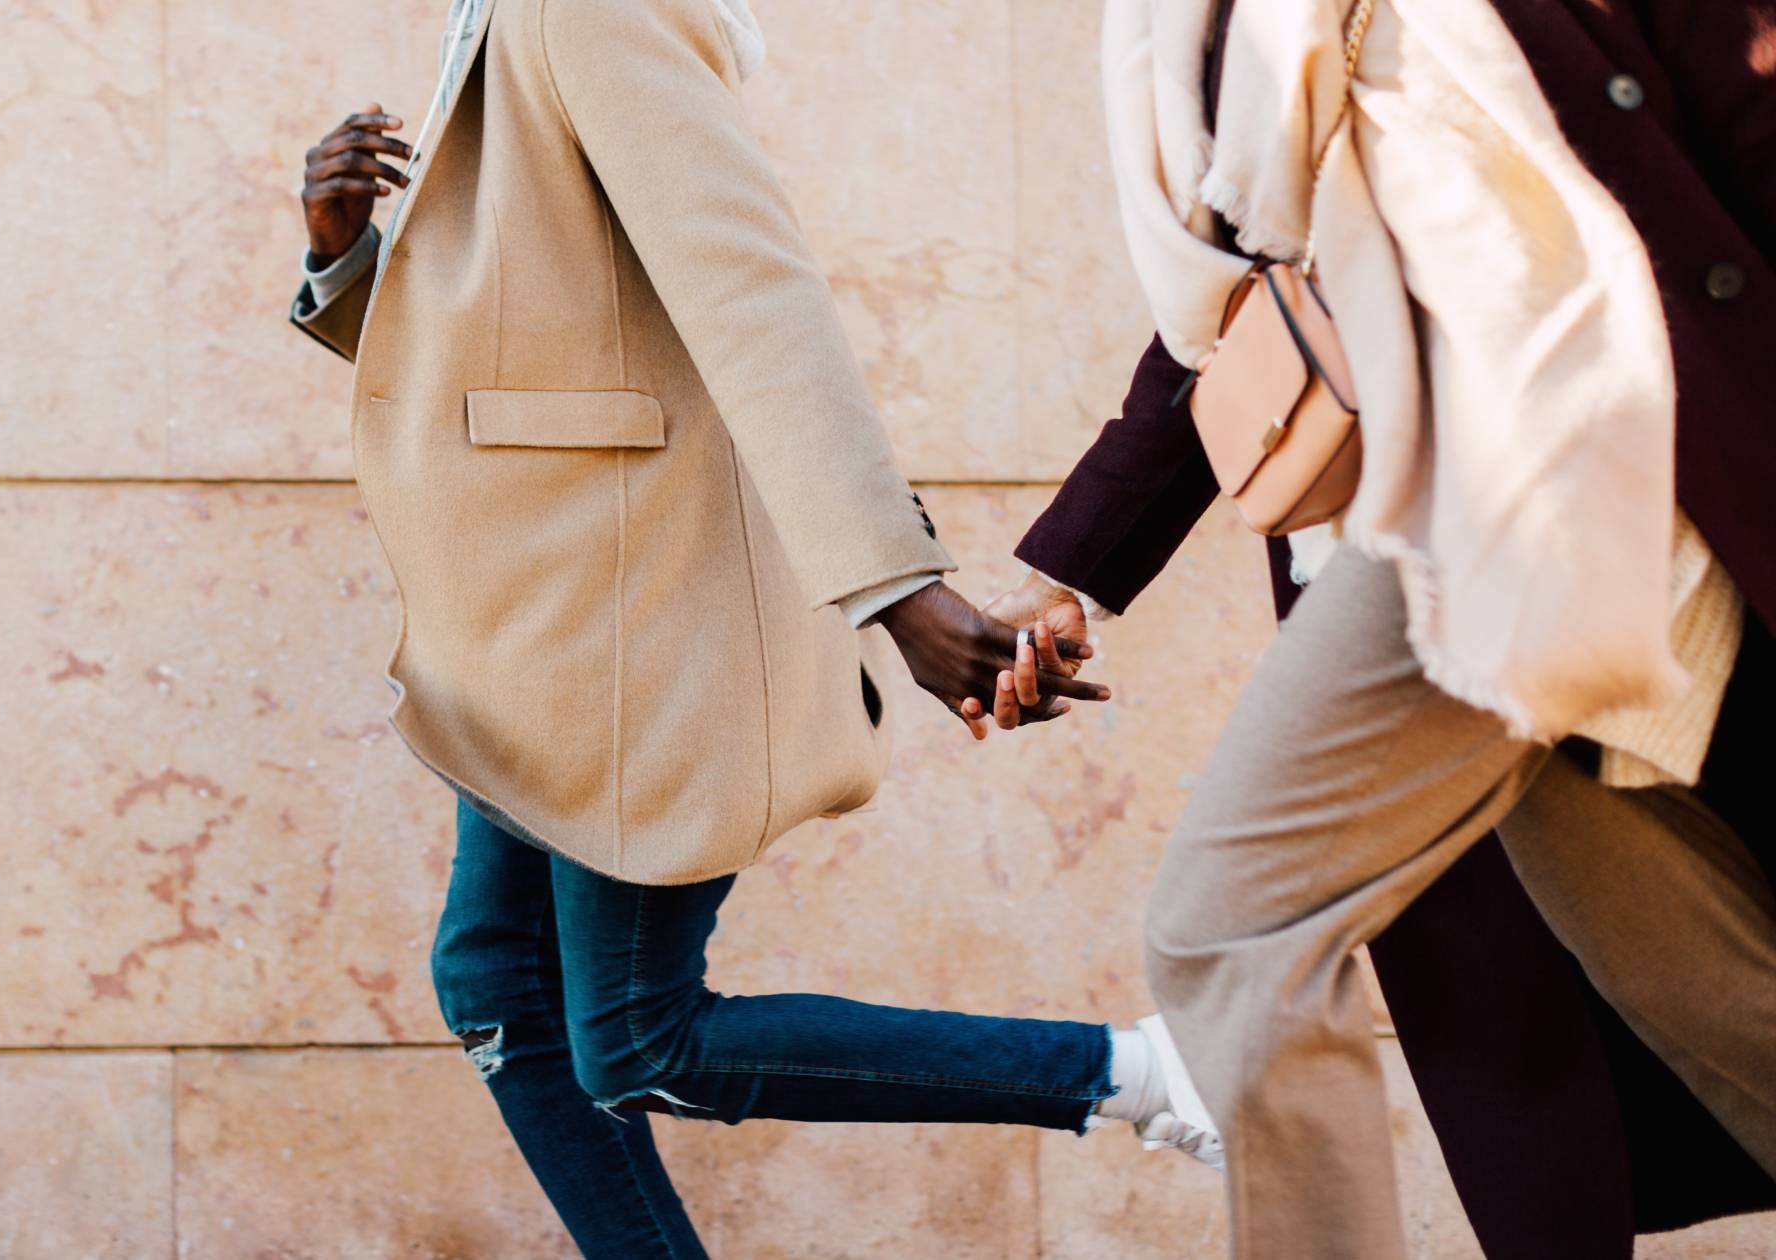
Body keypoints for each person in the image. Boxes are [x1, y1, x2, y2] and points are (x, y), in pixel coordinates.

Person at [286, 2, 1216, 1256]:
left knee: (639, 1040)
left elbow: (753, 292)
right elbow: (516, 348)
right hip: (543, 619)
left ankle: (1139, 1072)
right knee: (501, 989)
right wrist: (347, 260)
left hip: (631, 619)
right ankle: (1139, 1072)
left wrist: (896, 588)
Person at [980, 1, 1776, 1256]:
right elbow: (1255, 272)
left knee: (1229, 926)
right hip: (1460, 507)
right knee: (1687, 978)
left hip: (1522, 486)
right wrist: (1075, 565)